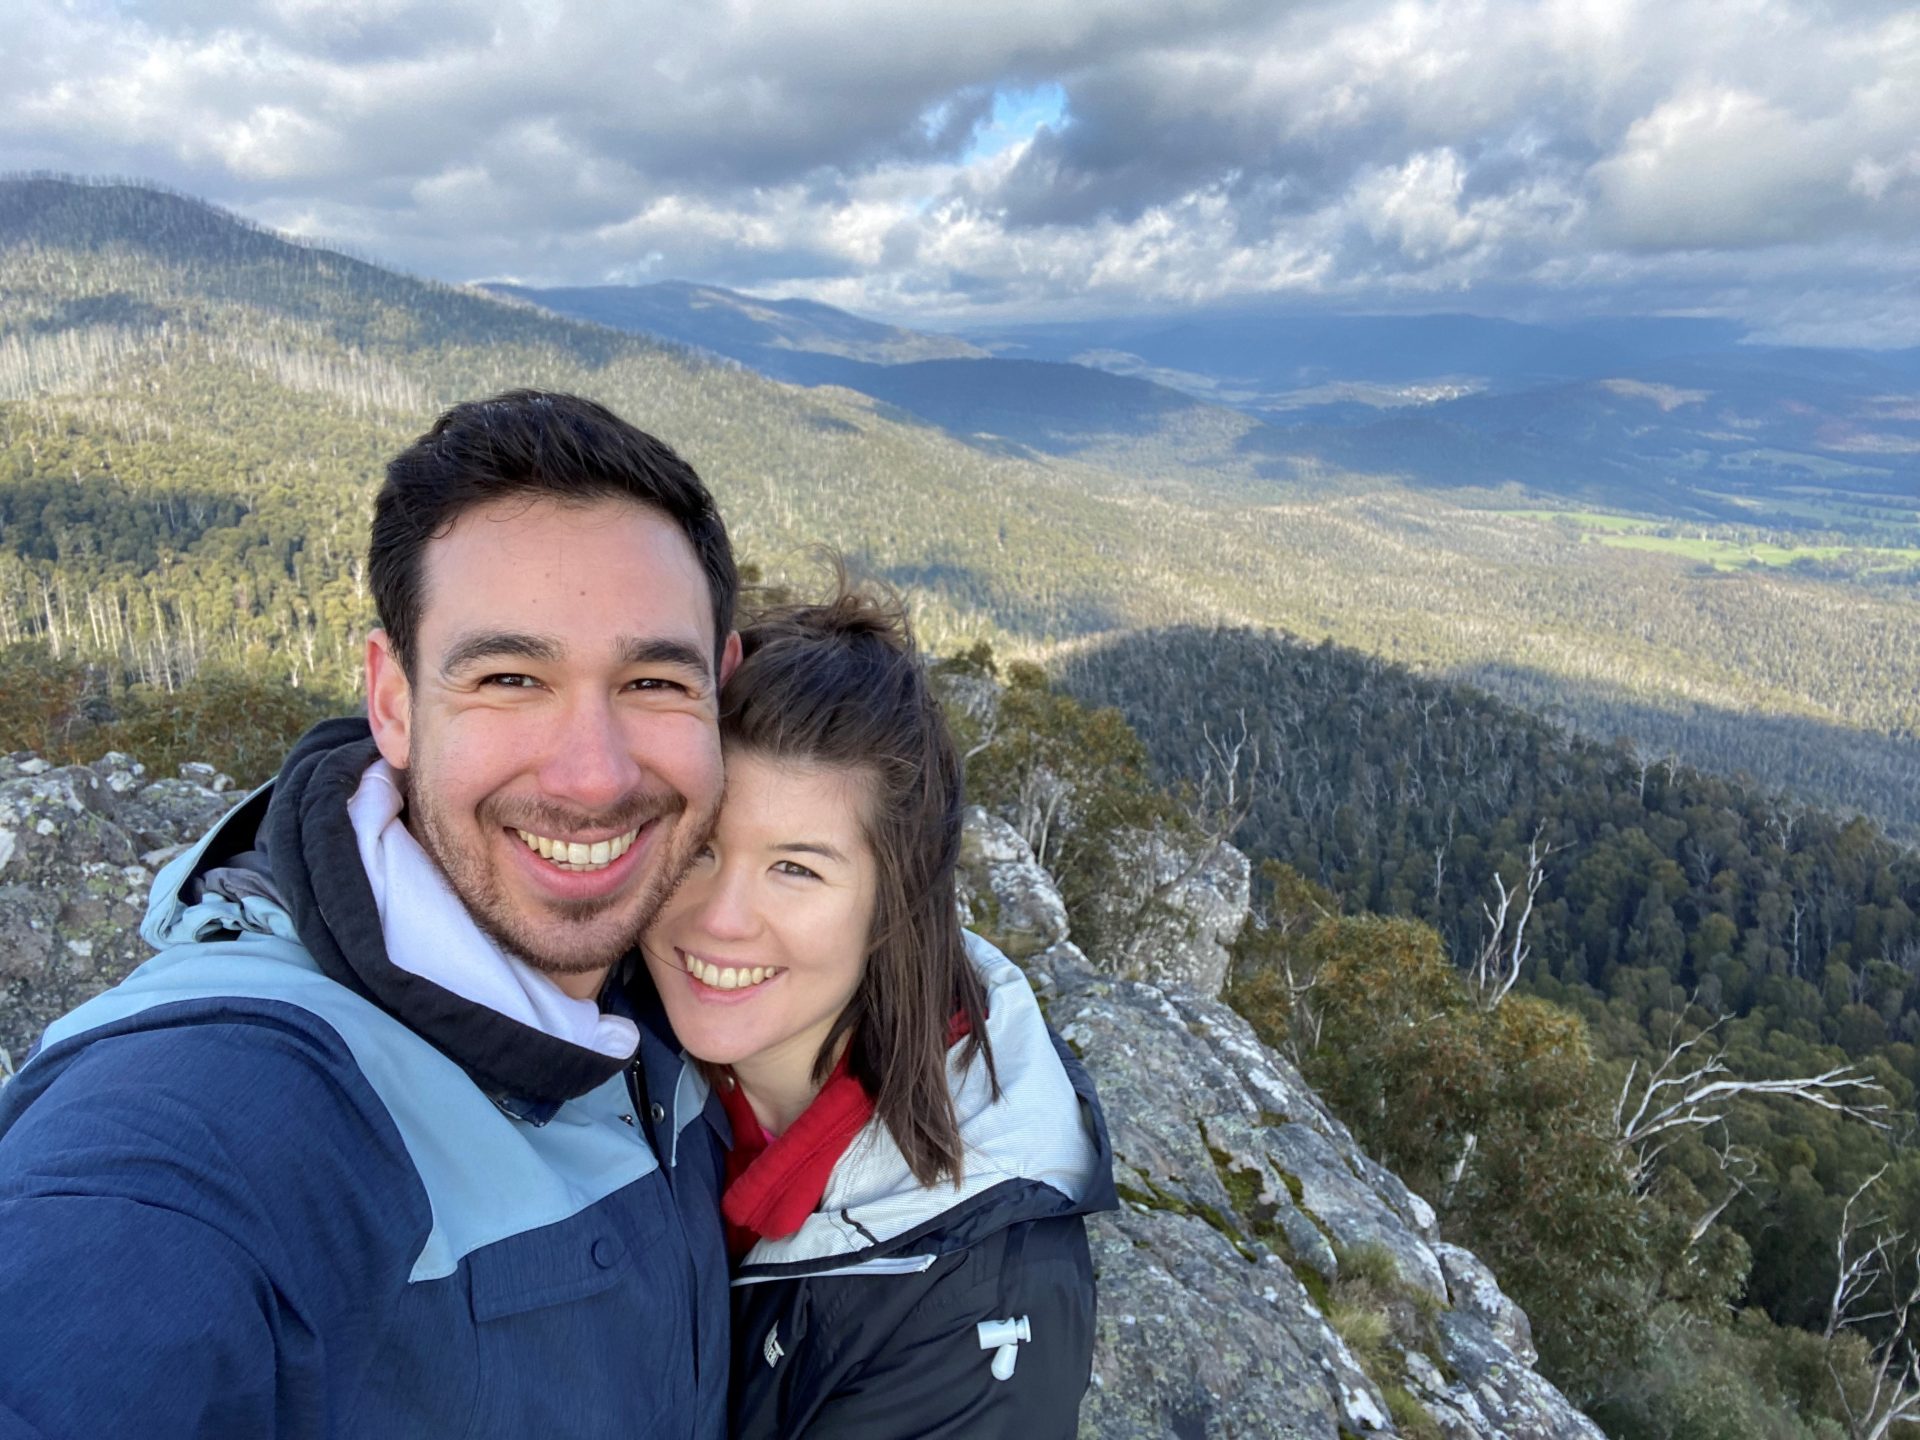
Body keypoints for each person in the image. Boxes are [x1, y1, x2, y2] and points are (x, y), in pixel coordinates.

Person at [0, 391, 740, 1438]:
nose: (591, 776)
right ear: (392, 700)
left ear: (721, 687)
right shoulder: (246, 1101)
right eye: (510, 676)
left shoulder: (693, 971)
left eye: (653, 681)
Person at [640, 581, 1117, 1439]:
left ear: (892, 905)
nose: (719, 917)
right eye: (701, 846)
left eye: (797, 868)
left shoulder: (977, 1300)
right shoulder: (606, 1016)